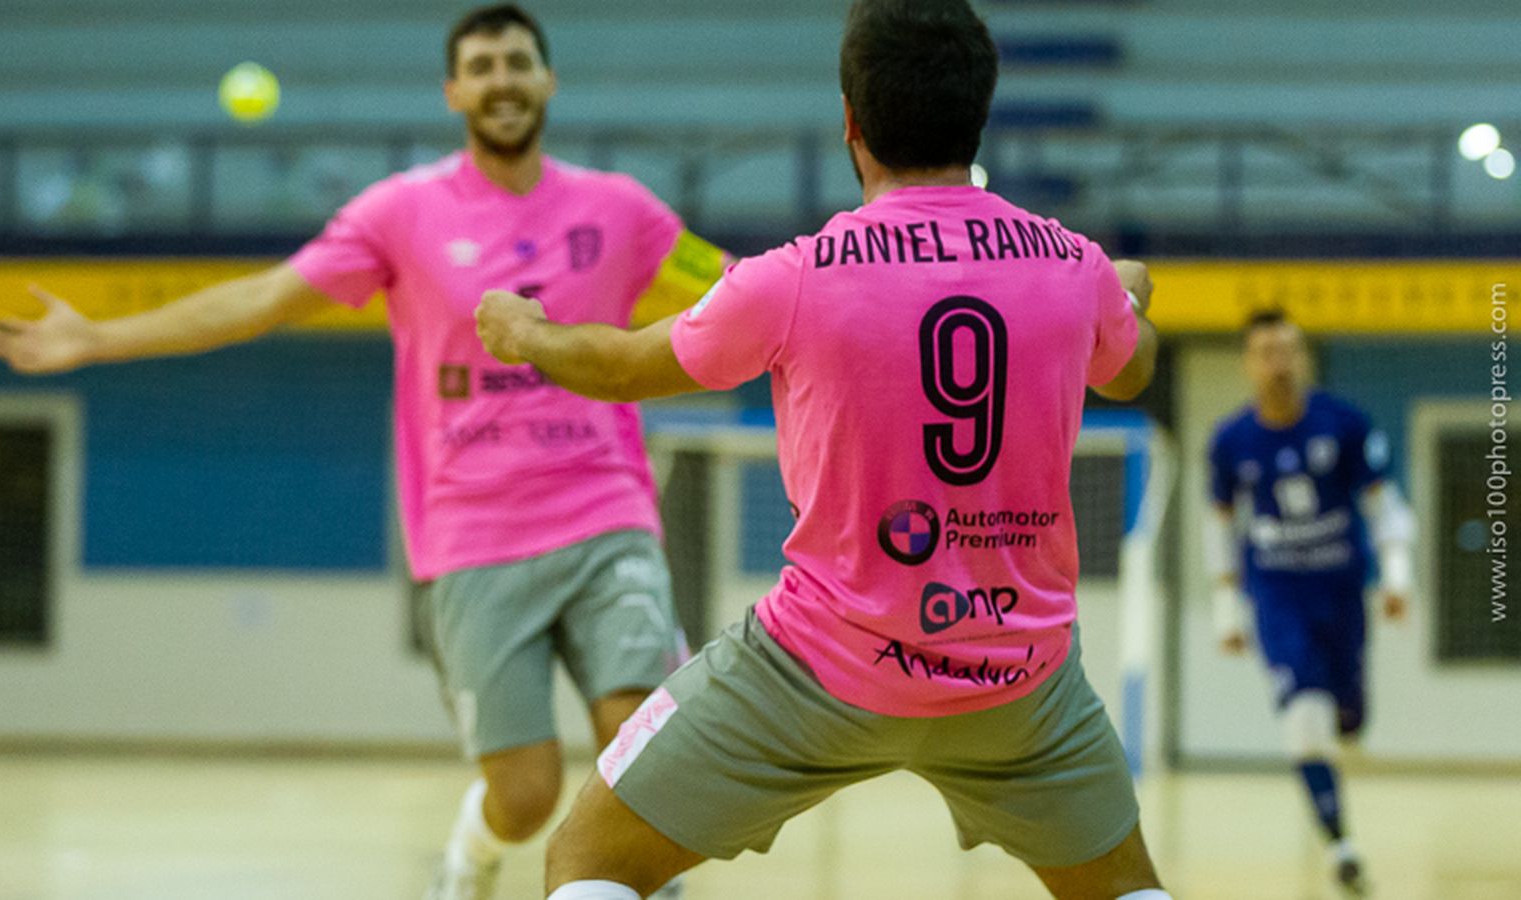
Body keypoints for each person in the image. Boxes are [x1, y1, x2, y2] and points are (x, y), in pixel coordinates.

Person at [0, 5, 725, 899]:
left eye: (517, 62)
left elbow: (731, 290)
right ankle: (471, 857)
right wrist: (99, 338)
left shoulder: (622, 210)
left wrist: (843, 276)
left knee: (642, 748)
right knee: (525, 794)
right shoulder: (400, 213)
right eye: (482, 66)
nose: (501, 80)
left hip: (607, 514)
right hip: (473, 537)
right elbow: (262, 299)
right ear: (453, 91)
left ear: (547, 80)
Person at [472, 2, 1173, 897]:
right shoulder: (1071, 264)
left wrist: (526, 331)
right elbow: (1130, 371)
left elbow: (618, 368)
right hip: (1021, 682)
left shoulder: (796, 275)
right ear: (978, 112)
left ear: (851, 121)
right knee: (1128, 887)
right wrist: (1127, 294)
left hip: (820, 667)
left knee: (589, 858)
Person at [1205, 309, 1413, 896]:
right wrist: (1225, 603)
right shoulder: (1231, 440)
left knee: (1347, 713)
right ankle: (1341, 845)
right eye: (1266, 352)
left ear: (1302, 357)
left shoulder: (1343, 424)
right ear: (1248, 363)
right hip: (1277, 595)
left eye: (1288, 351)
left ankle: (1350, 711)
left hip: (1341, 591)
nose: (1279, 364)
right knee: (1303, 717)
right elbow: (1219, 523)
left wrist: (1397, 575)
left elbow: (1382, 502)